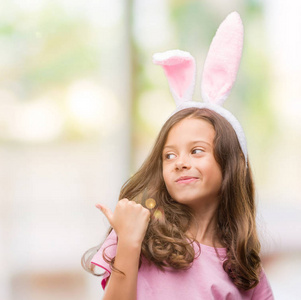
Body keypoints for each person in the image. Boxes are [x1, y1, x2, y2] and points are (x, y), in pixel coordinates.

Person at [81, 12, 274, 300]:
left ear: (231, 164)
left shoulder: (245, 268)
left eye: (197, 151)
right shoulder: (140, 234)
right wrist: (129, 243)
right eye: (169, 156)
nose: (180, 162)